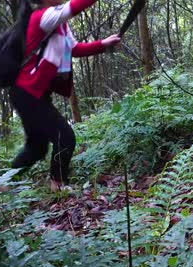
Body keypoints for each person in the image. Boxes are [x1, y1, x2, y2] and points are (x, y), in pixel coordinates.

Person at [11, 0, 121, 192]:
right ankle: (58, 185)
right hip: (27, 93)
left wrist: (103, 44)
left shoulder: (58, 23)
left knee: (37, 148)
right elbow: (76, 6)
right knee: (65, 137)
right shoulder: (45, 16)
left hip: (33, 94)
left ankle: (4, 185)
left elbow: (74, 49)